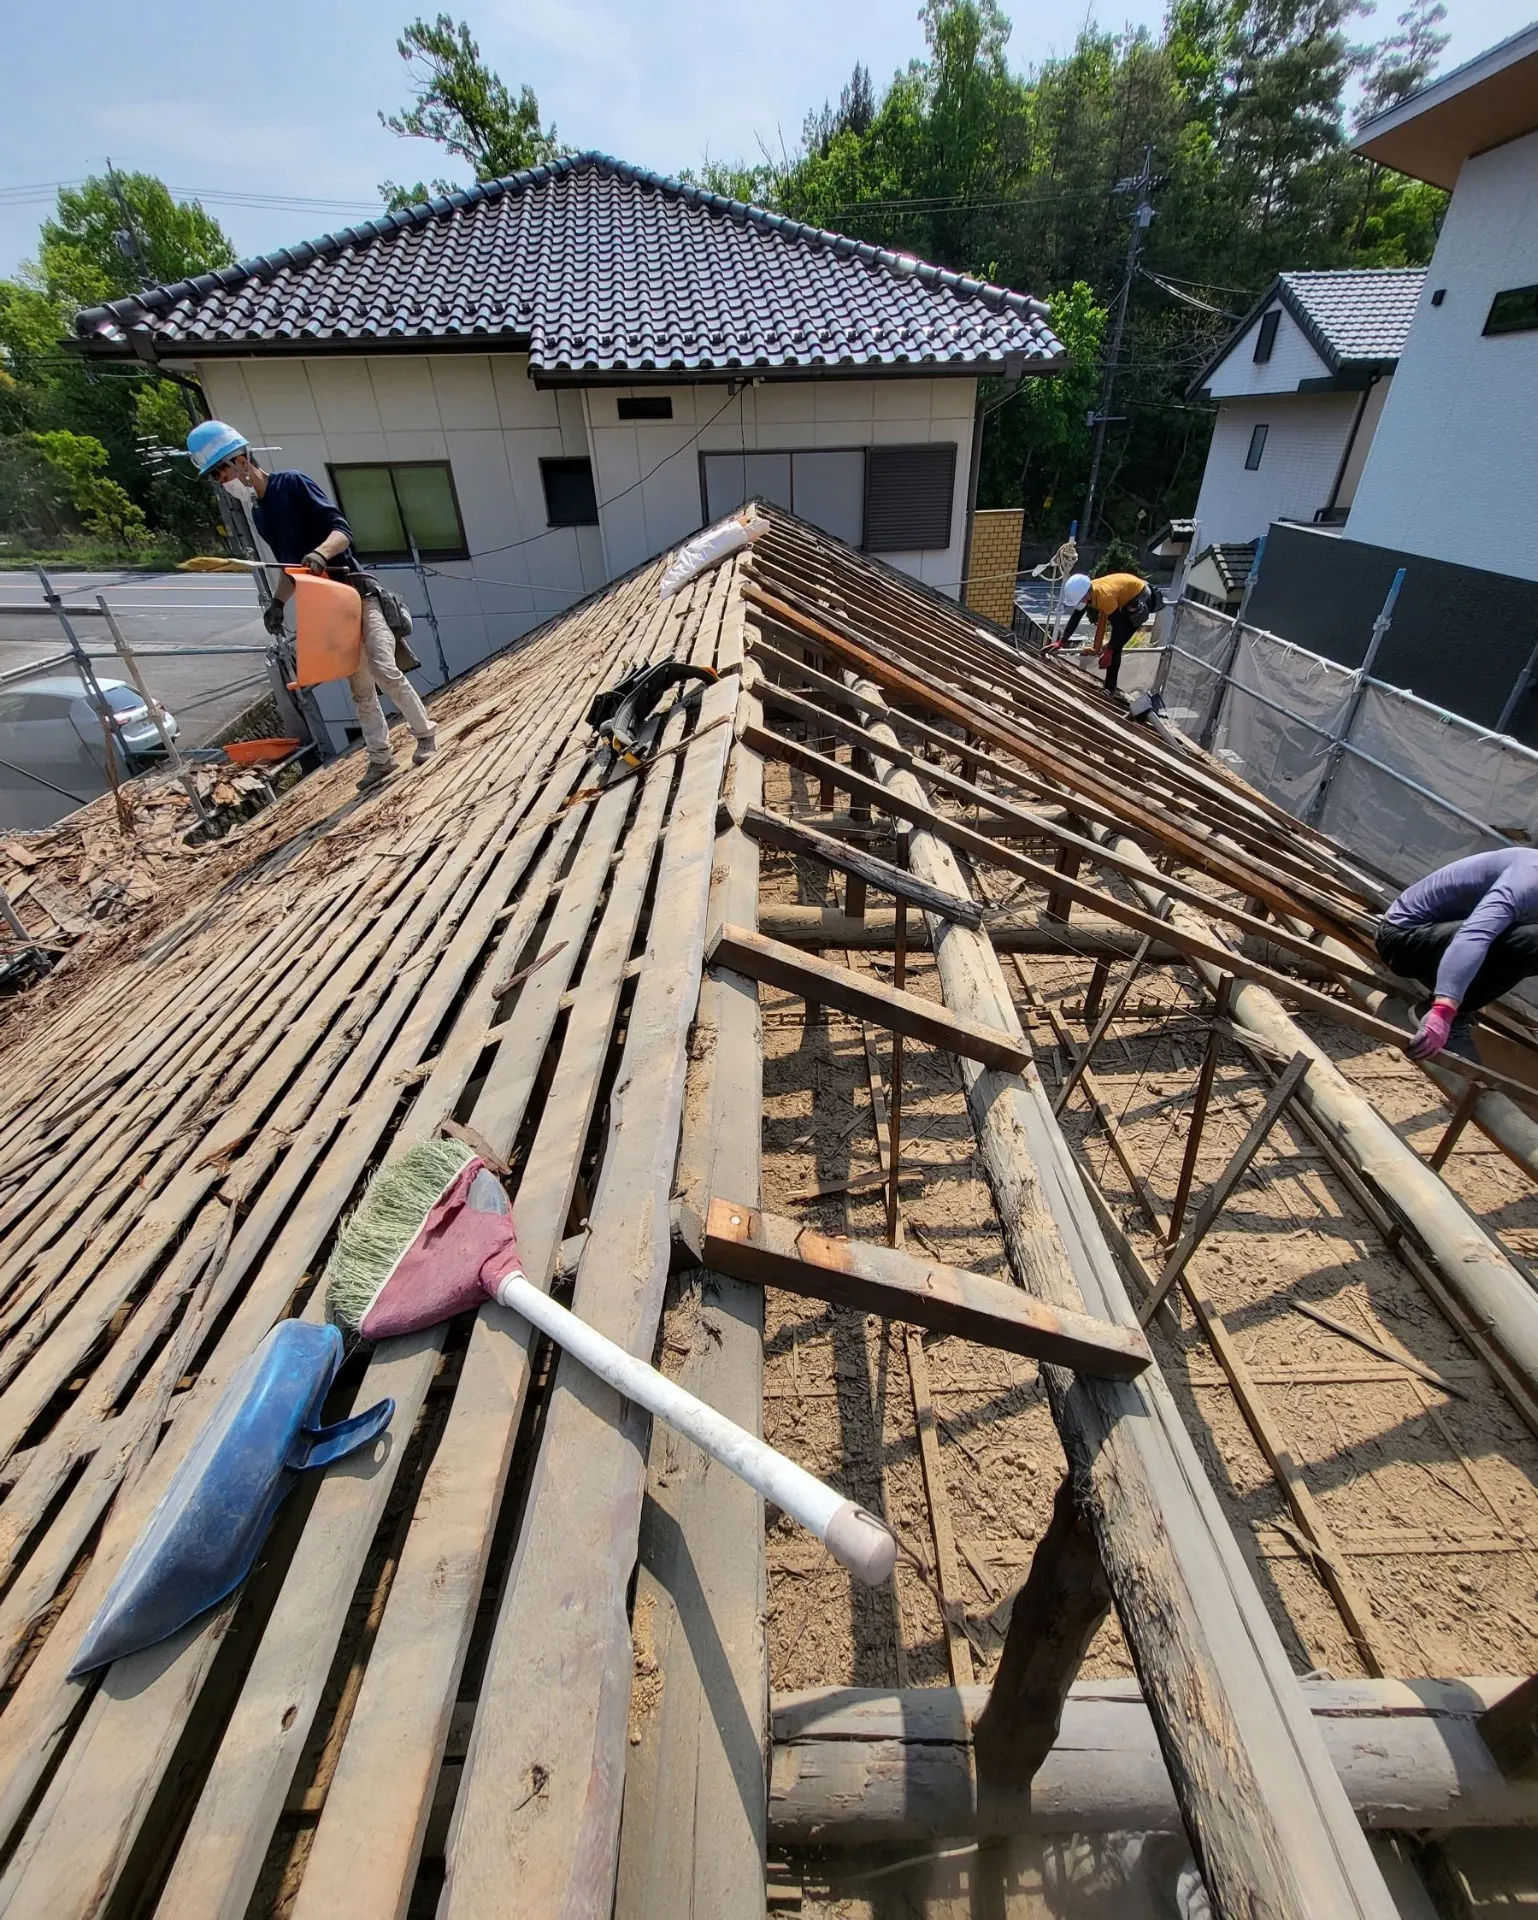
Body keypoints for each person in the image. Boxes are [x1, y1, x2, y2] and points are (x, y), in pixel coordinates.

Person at [187, 420, 435, 791]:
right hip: (328, 606)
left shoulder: (293, 484)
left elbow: (342, 531)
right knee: (360, 687)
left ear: (240, 460)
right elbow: (290, 569)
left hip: (355, 593)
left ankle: (425, 735)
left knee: (384, 667)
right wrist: (277, 603)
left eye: (222, 471)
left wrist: (321, 552)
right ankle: (381, 759)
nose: (224, 482)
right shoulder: (260, 514)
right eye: (217, 478)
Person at [1376, 848, 1538, 1059]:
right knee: (1532, 941)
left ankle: (1457, 1002)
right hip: (1400, 941)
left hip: (1442, 942)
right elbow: (1475, 934)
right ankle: (1444, 1013)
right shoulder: (1529, 877)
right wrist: (1443, 1011)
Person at [1052, 569, 1154, 694]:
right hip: (1125, 593)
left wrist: (1110, 650)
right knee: (1114, 644)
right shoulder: (1087, 590)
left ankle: (1110, 689)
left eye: (1080, 600)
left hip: (1140, 595)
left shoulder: (1104, 597)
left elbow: (1119, 627)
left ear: (1086, 594)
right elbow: (1076, 616)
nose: (1079, 603)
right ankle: (1110, 684)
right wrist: (1062, 641)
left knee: (1117, 646)